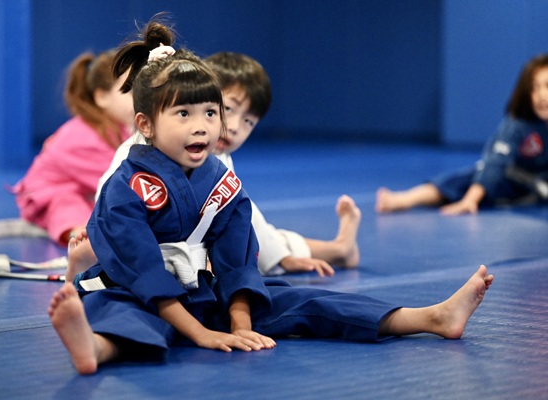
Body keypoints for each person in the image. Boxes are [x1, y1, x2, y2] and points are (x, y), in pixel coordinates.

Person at [48, 17, 494, 376]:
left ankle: (429, 318)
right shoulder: (126, 183)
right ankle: (95, 348)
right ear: (145, 124)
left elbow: (238, 257)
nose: (203, 125)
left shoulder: (220, 179)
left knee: (296, 299)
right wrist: (202, 334)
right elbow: (140, 269)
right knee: (129, 317)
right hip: (137, 291)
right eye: (183, 113)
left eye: (210, 112)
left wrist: (240, 320)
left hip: (197, 291)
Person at [66, 51, 360, 281]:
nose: (232, 127)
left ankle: (340, 247)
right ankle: (339, 248)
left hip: (196, 244)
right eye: (226, 110)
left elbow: (246, 215)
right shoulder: (139, 152)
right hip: (151, 247)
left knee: (262, 240)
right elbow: (110, 196)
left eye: (248, 122)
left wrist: (279, 258)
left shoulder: (215, 158)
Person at [376, 54, 548, 215]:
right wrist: (470, 200)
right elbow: (495, 163)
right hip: (510, 181)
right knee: (468, 178)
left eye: (547, 85)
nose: (541, 95)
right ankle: (406, 199)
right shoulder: (517, 124)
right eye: (534, 88)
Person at [12, 50, 134, 245]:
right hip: (46, 196)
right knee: (66, 203)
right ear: (102, 97)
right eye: (129, 90)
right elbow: (120, 182)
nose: (141, 97)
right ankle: (80, 236)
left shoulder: (120, 127)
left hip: (85, 190)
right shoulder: (84, 137)